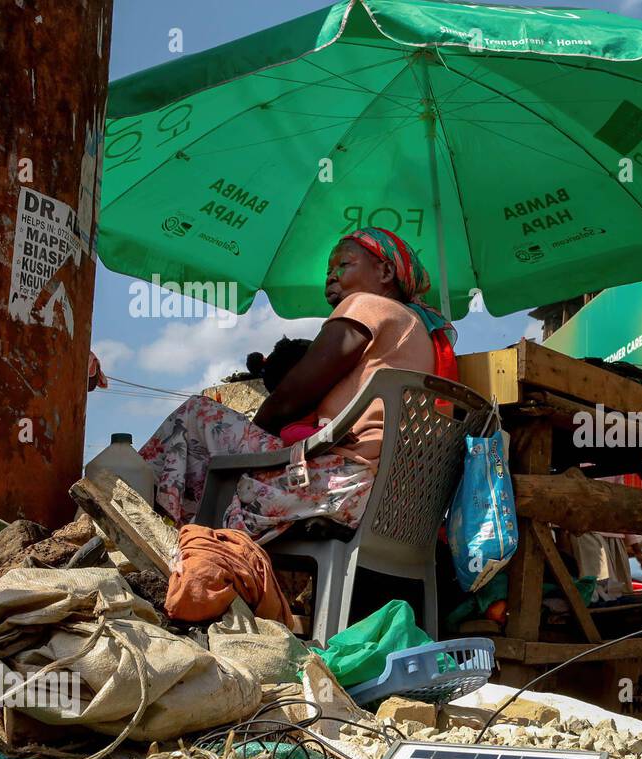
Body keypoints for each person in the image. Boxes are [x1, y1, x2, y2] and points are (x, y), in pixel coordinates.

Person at [139, 227, 458, 543]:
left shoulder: (369, 306)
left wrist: (253, 438)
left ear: (385, 271)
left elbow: (292, 396)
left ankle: (140, 521)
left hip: (336, 483)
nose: (331, 276)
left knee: (197, 413)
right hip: (395, 501)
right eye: (329, 271)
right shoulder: (424, 335)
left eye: (343, 265)